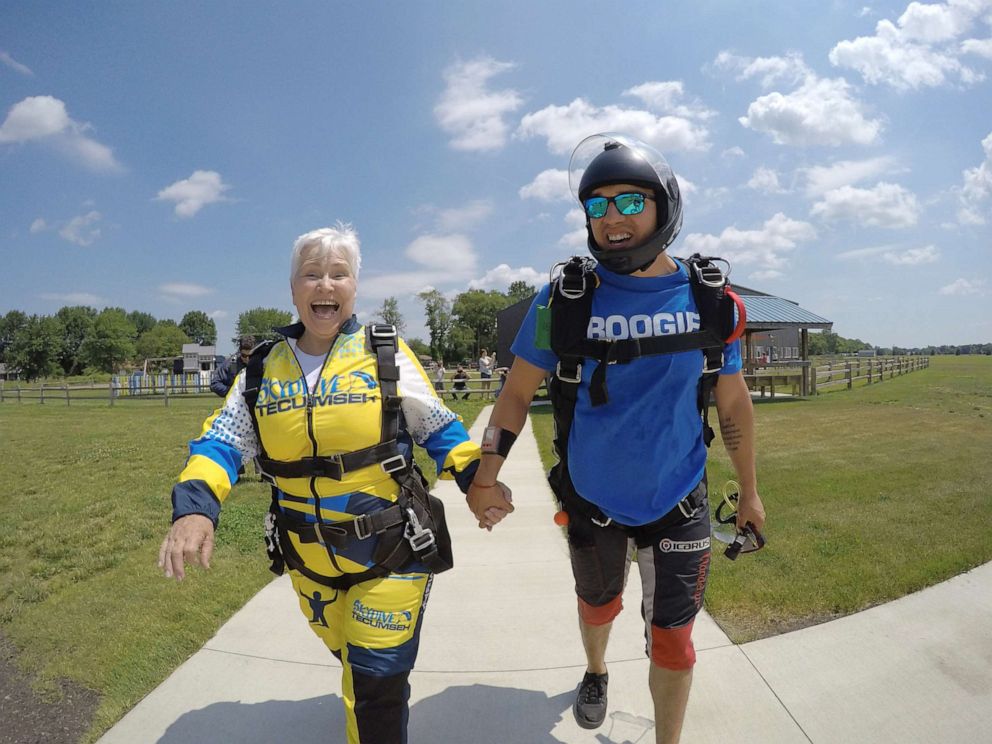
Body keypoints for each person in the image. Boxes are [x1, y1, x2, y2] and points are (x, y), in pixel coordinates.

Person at [465, 133, 765, 744]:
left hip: (680, 498)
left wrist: (751, 492)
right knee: (598, 606)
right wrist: (486, 475)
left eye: (630, 202)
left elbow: (732, 401)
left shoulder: (710, 300)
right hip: (591, 499)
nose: (611, 218)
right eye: (597, 206)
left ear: (665, 207)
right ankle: (596, 670)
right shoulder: (565, 299)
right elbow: (516, 394)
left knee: (674, 641)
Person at [158, 223, 485, 744]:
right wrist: (194, 509)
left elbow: (438, 426)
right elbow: (221, 443)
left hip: (393, 549)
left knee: (376, 686)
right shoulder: (262, 369)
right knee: (351, 659)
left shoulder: (385, 352)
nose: (325, 285)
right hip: (306, 560)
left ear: (355, 287)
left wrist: (477, 480)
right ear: (293, 291)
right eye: (311, 275)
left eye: (338, 274)